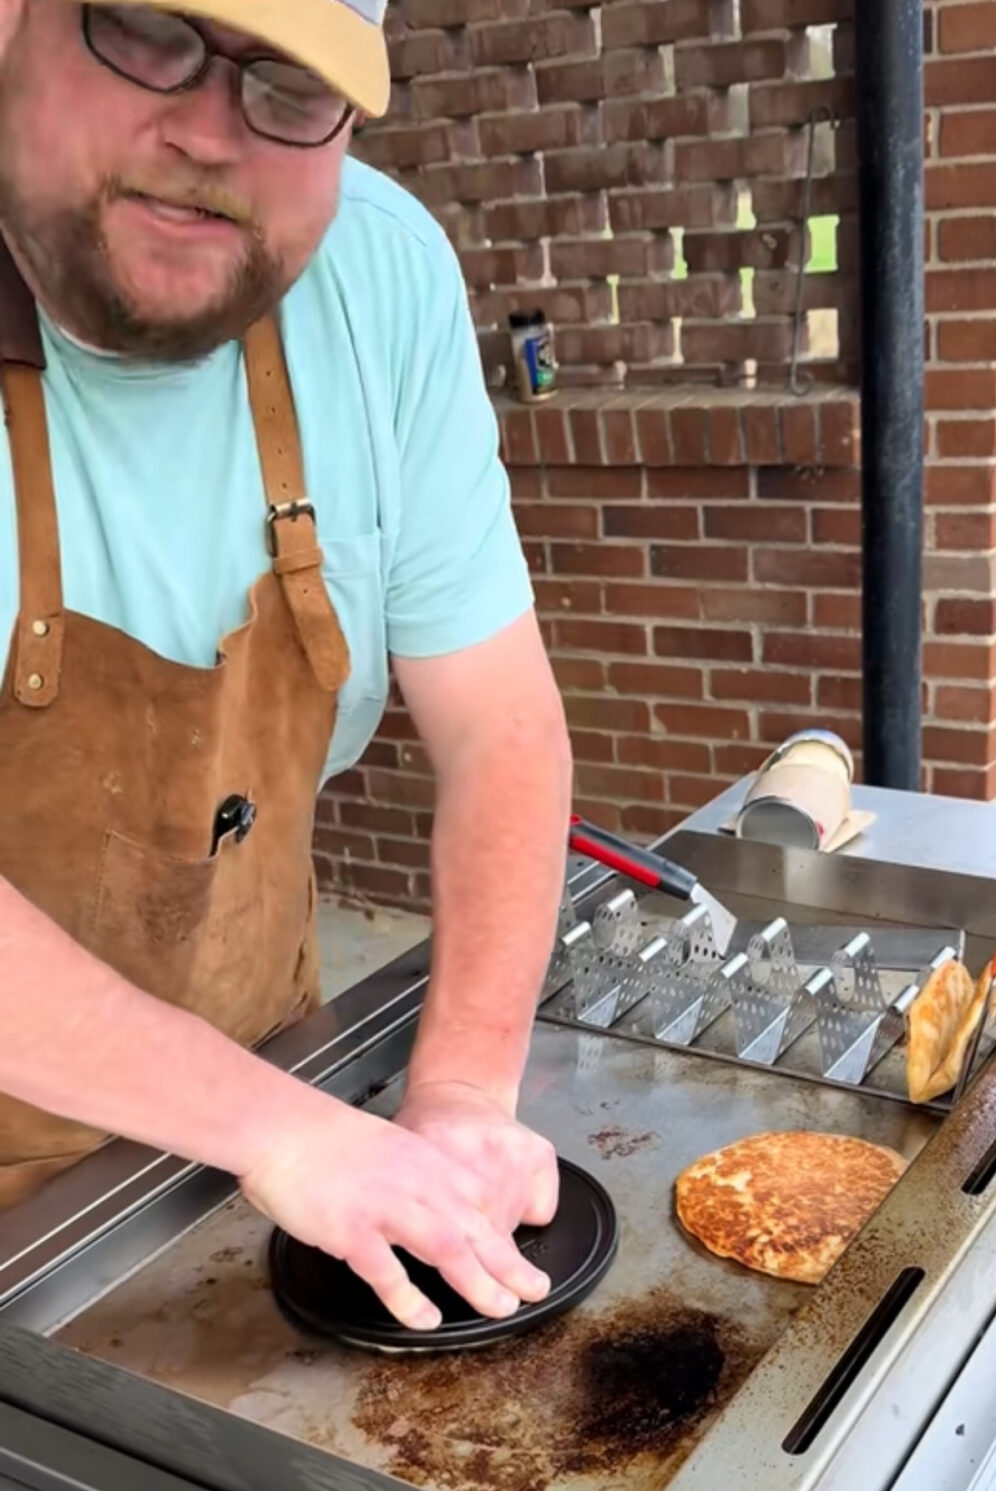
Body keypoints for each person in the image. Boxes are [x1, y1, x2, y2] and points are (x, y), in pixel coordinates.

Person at [0, 0, 573, 1331]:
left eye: (290, 81)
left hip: (248, 1135)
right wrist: (276, 1130)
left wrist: (461, 1100)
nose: (208, 132)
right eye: (144, 30)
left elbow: (502, 732)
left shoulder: (379, 274)